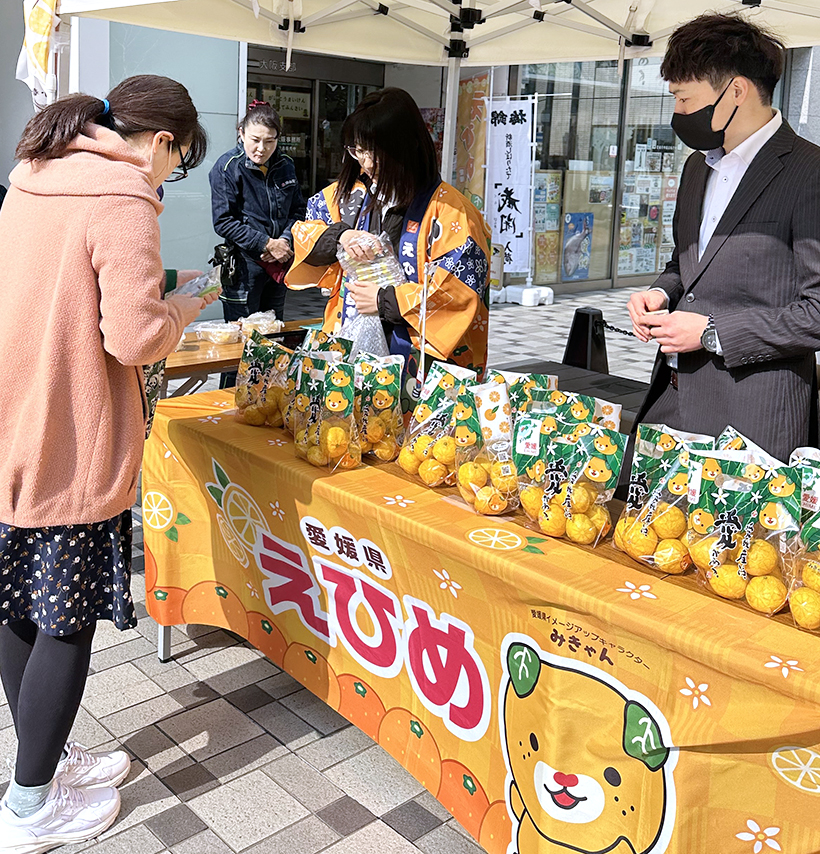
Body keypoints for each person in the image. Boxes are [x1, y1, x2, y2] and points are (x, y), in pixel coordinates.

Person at [0, 75, 217, 850]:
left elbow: (60, 293)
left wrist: (159, 290)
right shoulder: (123, 195)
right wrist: (187, 303)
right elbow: (134, 338)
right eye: (178, 161)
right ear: (161, 141)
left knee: (19, 605)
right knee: (65, 621)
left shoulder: (36, 171)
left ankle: (45, 758)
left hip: (13, 423)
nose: (169, 175)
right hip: (74, 438)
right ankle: (29, 807)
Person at [628, 13, 820, 462]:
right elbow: (687, 262)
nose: (678, 114)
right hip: (672, 400)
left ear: (736, 91)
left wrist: (712, 332)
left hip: (754, 418)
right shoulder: (698, 166)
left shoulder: (809, 173)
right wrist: (660, 291)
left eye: (684, 99)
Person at [286, 87, 491, 387]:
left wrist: (383, 300)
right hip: (349, 346)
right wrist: (340, 236)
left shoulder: (452, 212)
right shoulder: (347, 197)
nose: (366, 163)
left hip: (418, 366)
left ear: (407, 148)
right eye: (358, 150)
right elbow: (305, 232)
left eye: (376, 153)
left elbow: (459, 293)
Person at [210, 100, 306, 325]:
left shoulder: (286, 165)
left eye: (269, 141)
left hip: (280, 261)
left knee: (274, 331)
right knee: (243, 335)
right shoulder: (227, 167)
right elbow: (223, 221)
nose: (261, 148)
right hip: (243, 268)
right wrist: (266, 243)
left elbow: (299, 210)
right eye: (255, 140)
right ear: (241, 133)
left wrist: (284, 241)